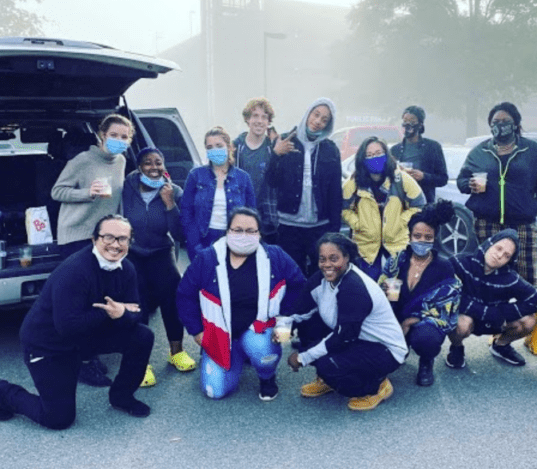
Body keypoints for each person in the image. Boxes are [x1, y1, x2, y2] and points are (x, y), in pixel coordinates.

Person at [0, 215, 153, 429]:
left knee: (143, 336)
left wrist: (123, 314)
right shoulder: (74, 271)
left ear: (129, 242)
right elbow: (67, 327)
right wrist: (111, 313)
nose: (115, 245)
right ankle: (5, 393)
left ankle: (122, 397)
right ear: (94, 239)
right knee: (58, 418)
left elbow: (136, 310)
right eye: (108, 237)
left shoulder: (126, 268)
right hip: (49, 344)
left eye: (122, 239)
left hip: (85, 335)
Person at [177, 207, 306, 401]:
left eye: (250, 231)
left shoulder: (275, 256)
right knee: (215, 392)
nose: (243, 235)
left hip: (259, 330)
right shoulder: (207, 259)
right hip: (219, 333)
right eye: (237, 230)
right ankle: (236, 353)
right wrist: (197, 332)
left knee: (262, 353)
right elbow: (185, 295)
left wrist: (285, 321)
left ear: (259, 234)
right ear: (227, 231)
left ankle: (267, 377)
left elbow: (299, 286)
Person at [51, 113, 135, 387]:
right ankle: (81, 361)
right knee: (80, 302)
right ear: (101, 135)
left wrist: (122, 234)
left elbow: (119, 200)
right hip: (76, 236)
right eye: (114, 136)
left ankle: (89, 353)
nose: (119, 141)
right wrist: (87, 193)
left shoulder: (121, 161)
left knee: (99, 297)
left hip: (104, 240)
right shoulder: (82, 161)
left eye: (124, 137)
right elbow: (57, 191)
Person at [287, 233, 407, 411]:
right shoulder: (319, 279)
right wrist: (279, 334)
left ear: (347, 258)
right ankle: (327, 380)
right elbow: (298, 313)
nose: (327, 265)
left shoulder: (354, 288)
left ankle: (377, 386)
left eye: (334, 259)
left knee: (328, 365)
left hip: (385, 349)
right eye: (323, 259)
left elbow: (342, 337)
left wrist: (302, 358)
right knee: (310, 325)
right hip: (355, 338)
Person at [456, 102, 537, 287]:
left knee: (526, 276)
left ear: (516, 124)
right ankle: (492, 314)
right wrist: (469, 185)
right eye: (495, 122)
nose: (500, 125)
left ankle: (527, 314)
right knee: (488, 273)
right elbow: (462, 180)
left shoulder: (533, 151)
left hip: (522, 222)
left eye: (505, 121)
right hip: (486, 221)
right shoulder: (479, 151)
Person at [122, 147, 196, 387]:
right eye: (147, 163)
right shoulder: (127, 186)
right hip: (133, 253)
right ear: (138, 166)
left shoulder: (173, 190)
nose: (153, 168)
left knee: (172, 299)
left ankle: (176, 352)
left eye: (158, 163)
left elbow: (179, 233)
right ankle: (141, 362)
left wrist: (169, 204)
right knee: (137, 304)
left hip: (162, 251)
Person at [380, 200, 461, 386]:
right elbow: (387, 295)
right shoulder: (398, 261)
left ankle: (426, 361)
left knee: (426, 339)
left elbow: (447, 307)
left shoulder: (444, 266)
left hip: (426, 322)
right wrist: (394, 321)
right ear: (409, 236)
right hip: (397, 318)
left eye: (428, 237)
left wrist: (410, 321)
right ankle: (400, 347)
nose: (422, 241)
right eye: (417, 236)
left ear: (435, 239)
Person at [446, 229, 537, 369]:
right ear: (489, 244)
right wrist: (484, 311)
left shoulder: (510, 278)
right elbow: (445, 292)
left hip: (495, 320)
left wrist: (502, 312)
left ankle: (500, 346)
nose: (499, 255)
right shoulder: (460, 262)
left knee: (529, 321)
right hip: (467, 317)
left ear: (510, 260)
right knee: (460, 323)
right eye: (498, 248)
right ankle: (456, 348)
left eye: (506, 255)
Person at [266, 98, 342, 276]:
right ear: (308, 113)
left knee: (321, 276)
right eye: (316, 115)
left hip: (319, 227)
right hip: (288, 226)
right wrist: (276, 155)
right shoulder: (285, 141)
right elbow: (271, 181)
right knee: (292, 276)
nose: (318, 122)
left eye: (324, 120)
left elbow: (335, 193)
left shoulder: (330, 149)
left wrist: (334, 231)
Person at [342, 136, 426, 280]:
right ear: (362, 159)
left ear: (386, 154)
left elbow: (420, 204)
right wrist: (357, 223)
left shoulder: (400, 179)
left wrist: (402, 220)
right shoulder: (354, 182)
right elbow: (342, 208)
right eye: (369, 155)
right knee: (370, 291)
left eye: (378, 153)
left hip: (397, 247)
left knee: (395, 292)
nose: (375, 158)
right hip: (365, 249)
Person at [180, 126, 256, 261]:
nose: (214, 150)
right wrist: (194, 242)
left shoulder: (243, 178)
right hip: (202, 239)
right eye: (210, 147)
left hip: (233, 239)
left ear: (229, 147)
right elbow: (186, 212)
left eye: (219, 145)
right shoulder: (196, 175)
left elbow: (251, 214)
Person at [233, 97, 279, 244]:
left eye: (264, 117)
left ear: (269, 122)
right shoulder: (236, 147)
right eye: (255, 116)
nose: (259, 121)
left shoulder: (273, 147)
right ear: (247, 119)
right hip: (242, 214)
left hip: (268, 218)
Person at [390, 105, 448, 204]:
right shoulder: (395, 150)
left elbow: (443, 179)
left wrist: (424, 176)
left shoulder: (433, 147)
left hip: (424, 203)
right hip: (401, 203)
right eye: (405, 121)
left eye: (412, 121)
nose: (407, 124)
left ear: (420, 125)